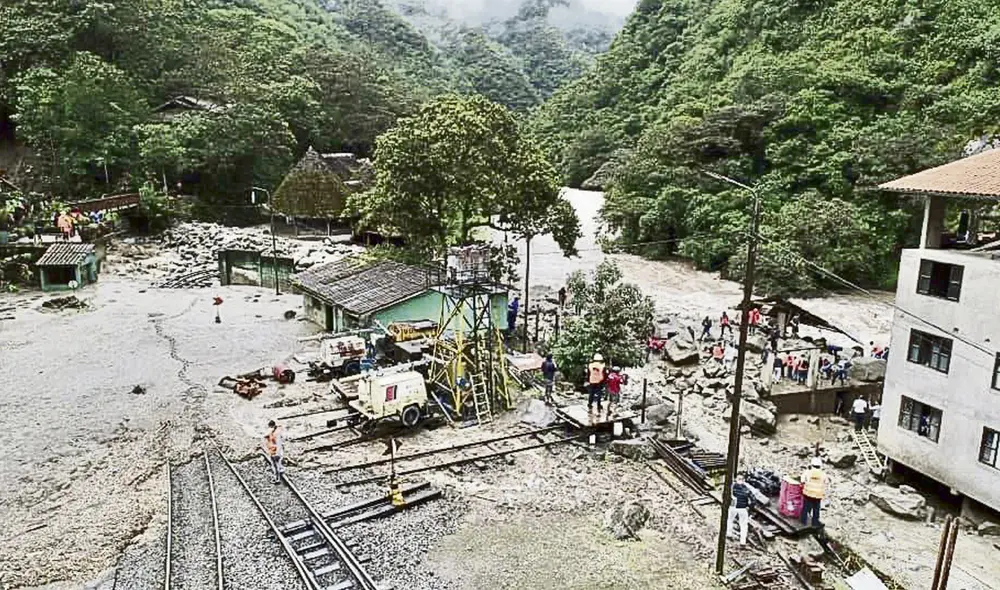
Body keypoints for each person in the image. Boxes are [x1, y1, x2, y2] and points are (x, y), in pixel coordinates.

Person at [800, 457, 827, 527]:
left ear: (812, 464)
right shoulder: (823, 474)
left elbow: (802, 481)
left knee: (805, 508)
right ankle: (815, 523)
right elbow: (826, 482)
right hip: (818, 495)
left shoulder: (808, 472)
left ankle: (803, 521)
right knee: (816, 509)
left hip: (808, 494)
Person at [727, 473, 752, 546]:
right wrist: (749, 507)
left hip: (733, 506)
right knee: (743, 525)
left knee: (730, 520)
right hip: (743, 508)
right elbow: (753, 499)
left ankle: (729, 534)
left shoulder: (732, 487)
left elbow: (726, 495)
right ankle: (742, 541)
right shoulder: (747, 489)